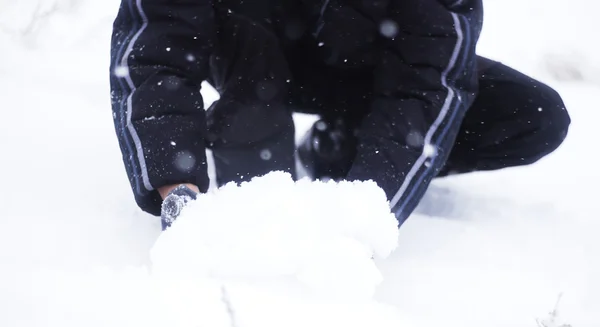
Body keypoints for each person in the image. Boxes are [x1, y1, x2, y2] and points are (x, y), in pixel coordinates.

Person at [109, 0, 570, 231]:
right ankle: (245, 147)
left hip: (367, 66)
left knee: (534, 116)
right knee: (258, 201)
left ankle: (336, 149)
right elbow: (157, 46)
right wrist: (176, 181)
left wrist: (363, 211)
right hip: (250, 45)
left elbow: (428, 81)